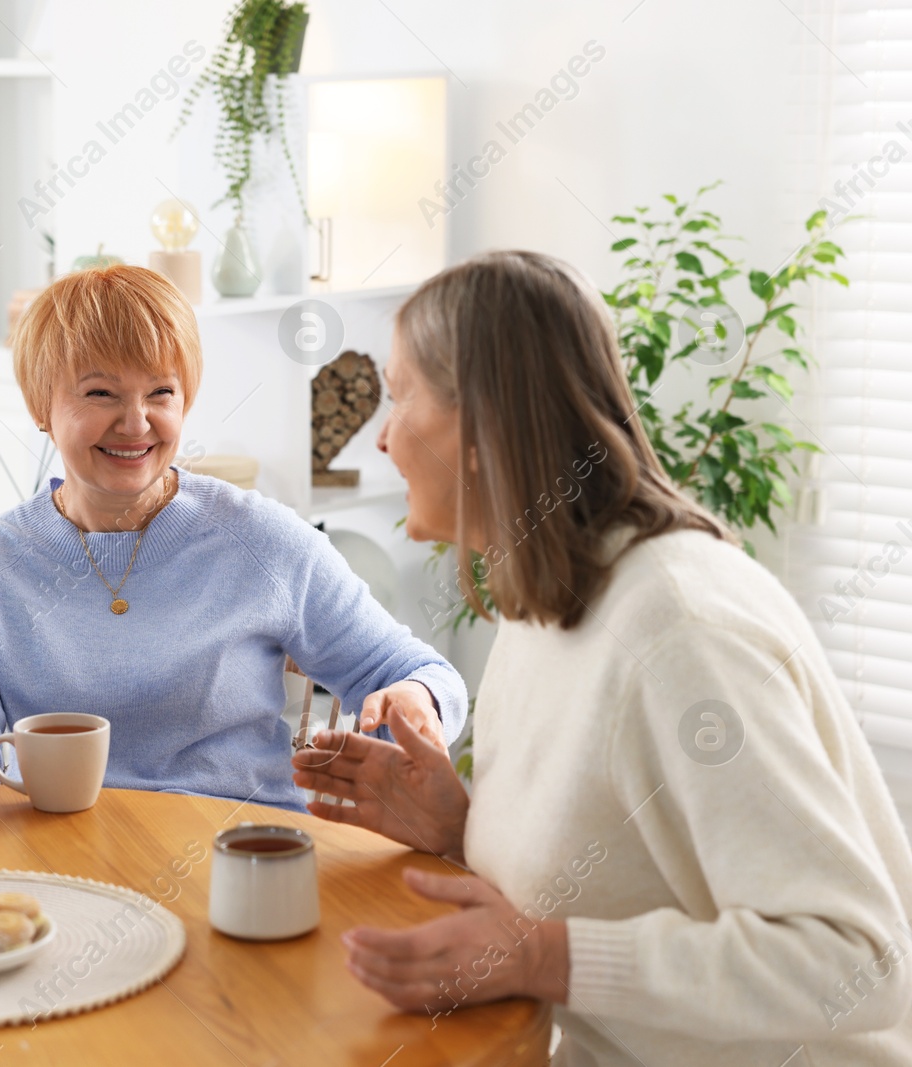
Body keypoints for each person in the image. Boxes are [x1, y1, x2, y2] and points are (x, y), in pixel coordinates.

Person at [292, 250, 912, 1064]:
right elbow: (617, 872)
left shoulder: (677, 633)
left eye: (401, 395)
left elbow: (860, 960)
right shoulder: (552, 594)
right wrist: (457, 826)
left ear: (479, 428)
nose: (380, 434)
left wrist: (546, 956)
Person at [0, 265, 466, 811]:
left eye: (161, 393)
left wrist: (419, 699)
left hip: (237, 859)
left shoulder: (263, 540)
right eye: (100, 394)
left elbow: (419, 673)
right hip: (57, 860)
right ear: (40, 405)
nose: (137, 423)